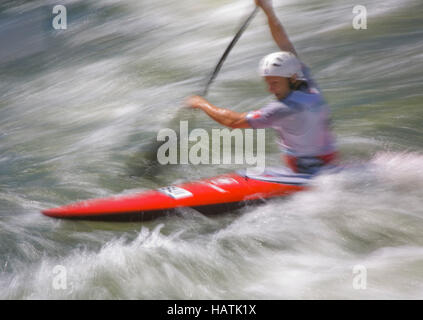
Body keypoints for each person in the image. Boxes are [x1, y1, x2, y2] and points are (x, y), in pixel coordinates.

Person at [186, 0, 337, 174]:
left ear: (291, 78)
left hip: (304, 169)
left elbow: (233, 121)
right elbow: (284, 43)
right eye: (268, 82)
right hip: (328, 159)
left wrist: (200, 103)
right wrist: (268, 11)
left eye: (274, 83)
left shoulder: (282, 108)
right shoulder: (306, 83)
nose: (270, 89)